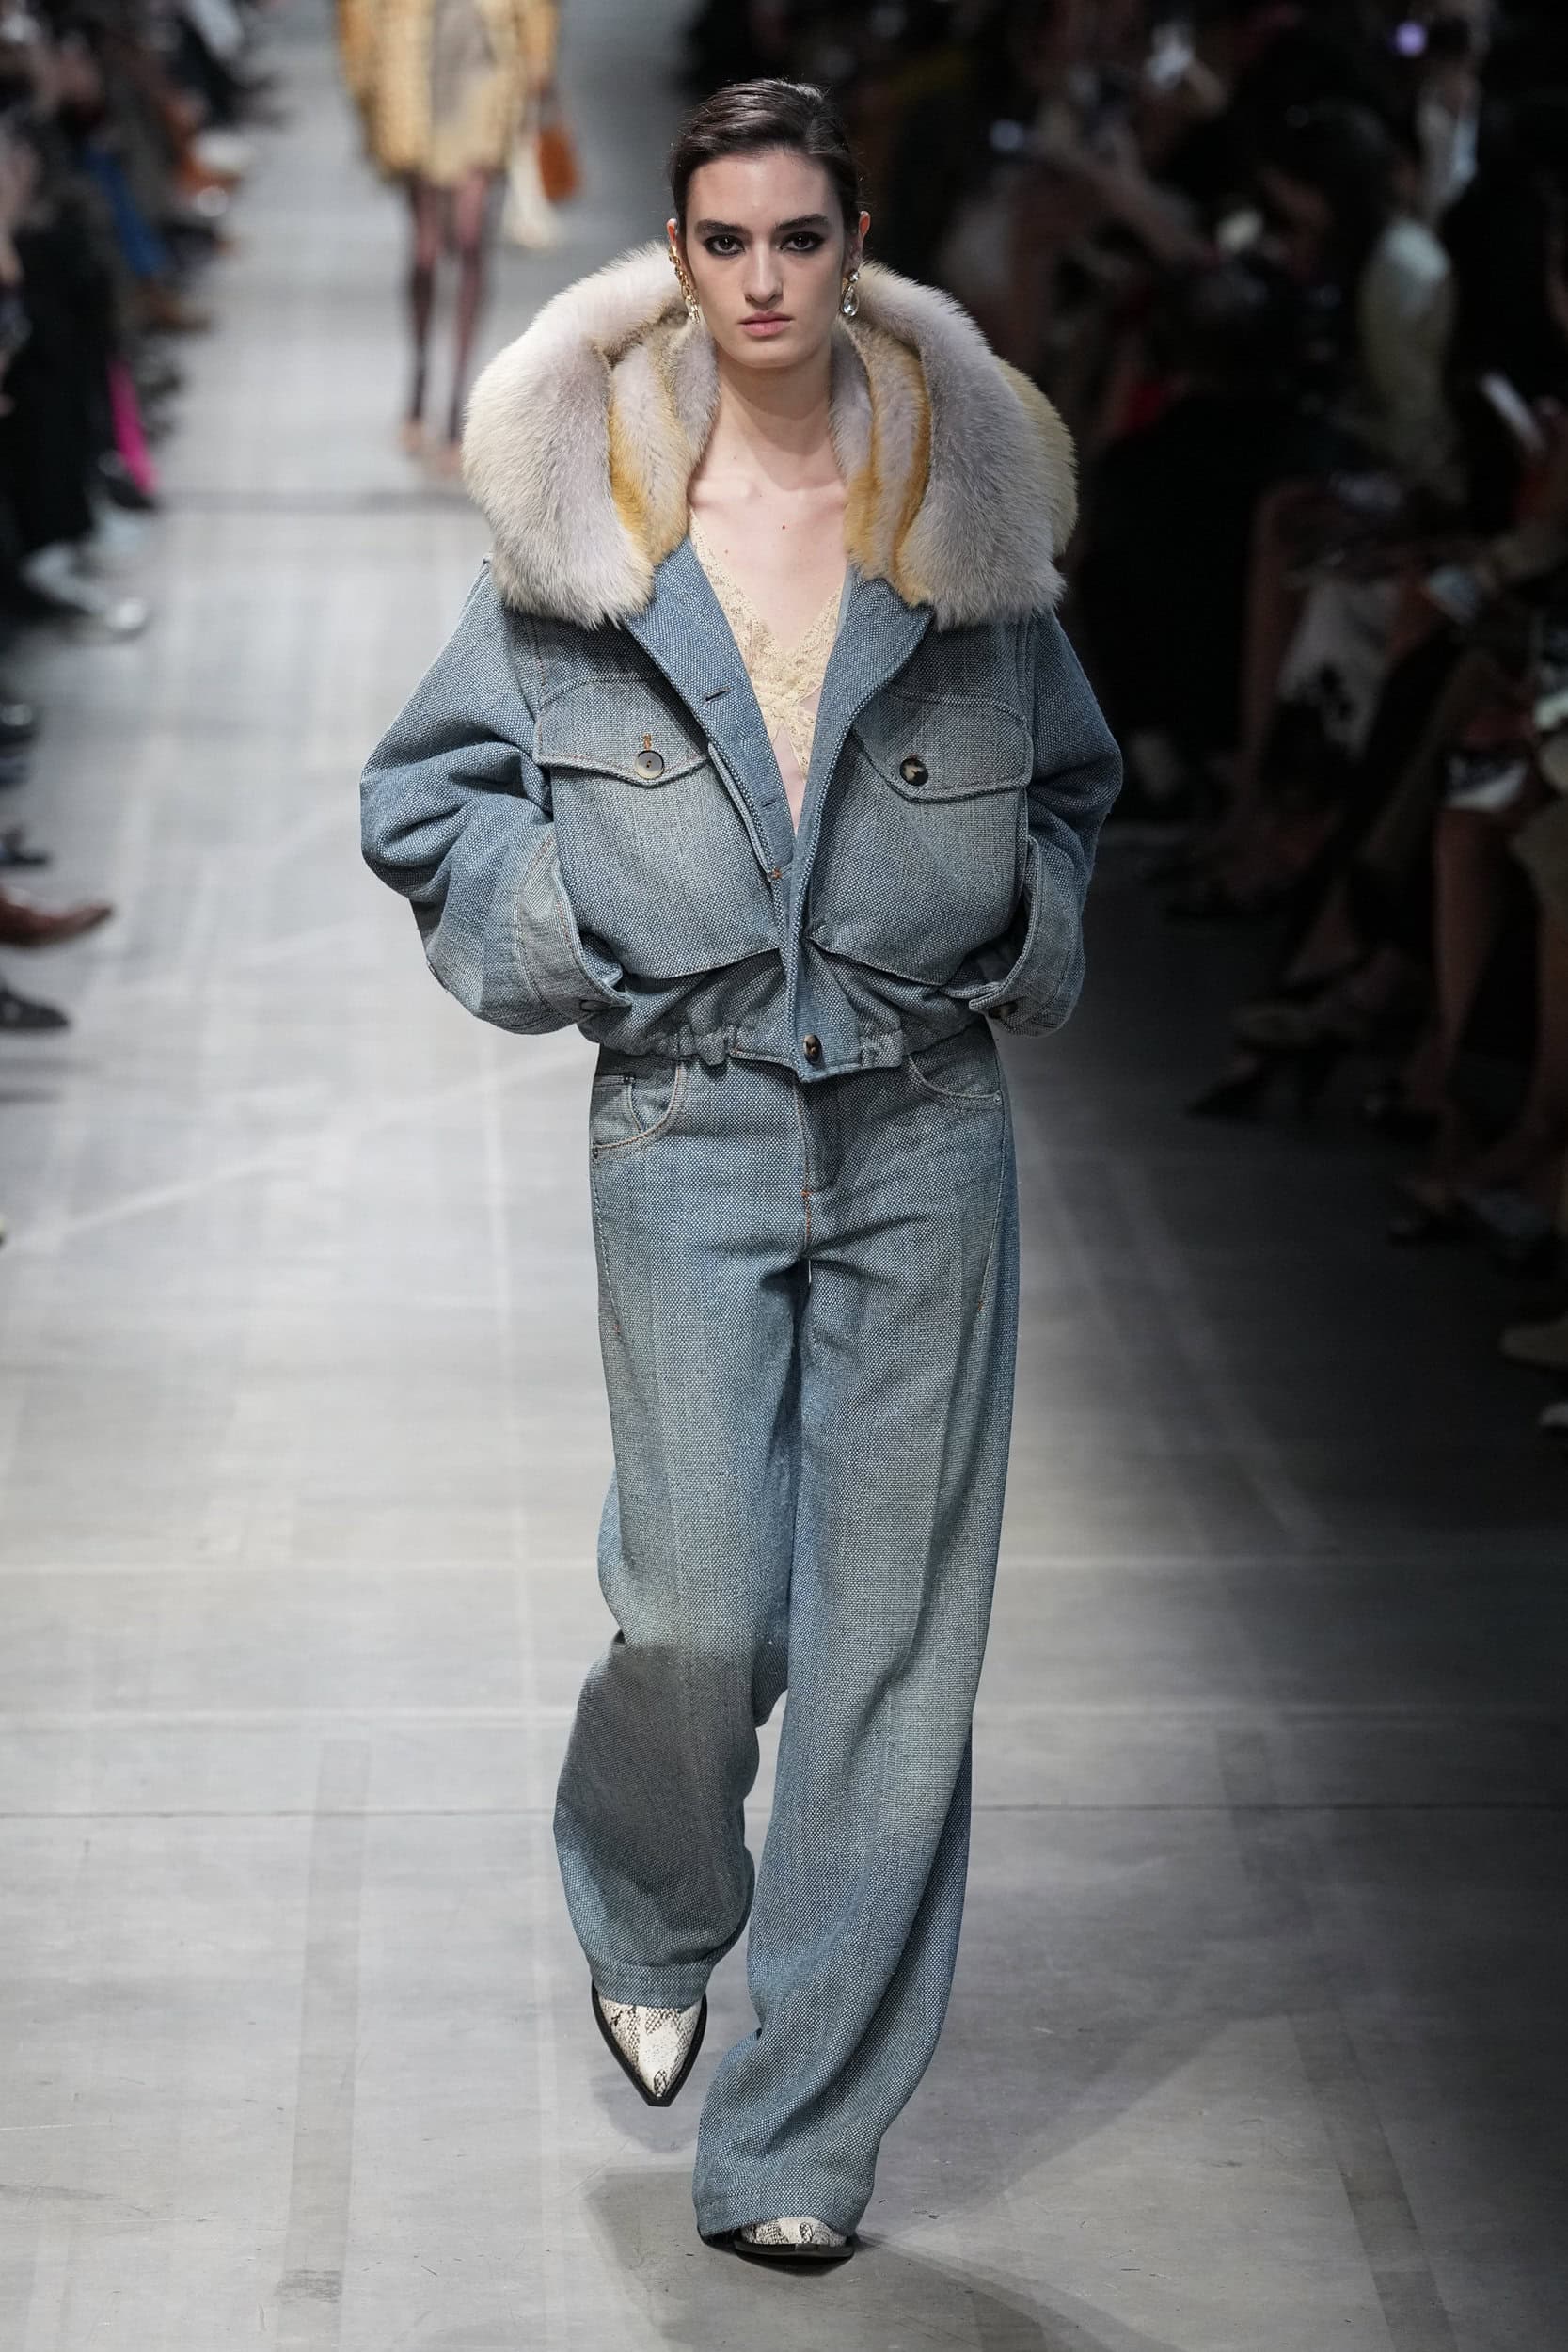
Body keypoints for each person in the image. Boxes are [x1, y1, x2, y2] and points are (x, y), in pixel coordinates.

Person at [360, 76, 1120, 2264]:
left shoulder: (959, 506)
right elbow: (422, 797)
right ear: (678, 253)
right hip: (682, 1115)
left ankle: (794, 2143)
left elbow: (1072, 783)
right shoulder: (588, 513)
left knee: (893, 1657)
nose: (765, 280)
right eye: (725, 241)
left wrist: (1011, 922)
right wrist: (570, 927)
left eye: (800, 237)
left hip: (920, 1122)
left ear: (852, 242)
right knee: (703, 1606)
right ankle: (655, 1886)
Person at [336, 0, 559, 463]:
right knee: (426, 253)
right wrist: (364, 86)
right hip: (409, 63)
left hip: (485, 55)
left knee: (472, 239)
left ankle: (458, 405)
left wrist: (538, 62)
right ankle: (419, 380)